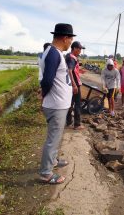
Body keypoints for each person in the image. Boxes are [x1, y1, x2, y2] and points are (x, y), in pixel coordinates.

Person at [39, 23, 75, 184]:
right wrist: (44, 96)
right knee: (53, 139)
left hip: (58, 103)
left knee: (56, 136)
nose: (71, 43)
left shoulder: (55, 52)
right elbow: (47, 80)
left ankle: (52, 161)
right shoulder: (54, 53)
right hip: (55, 104)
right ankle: (46, 173)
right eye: (70, 39)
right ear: (65, 38)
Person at [65, 41, 85, 130]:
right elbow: (69, 70)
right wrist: (74, 85)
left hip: (70, 84)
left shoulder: (69, 56)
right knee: (77, 103)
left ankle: (68, 121)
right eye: (79, 49)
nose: (80, 51)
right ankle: (77, 124)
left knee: (70, 103)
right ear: (74, 48)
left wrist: (80, 71)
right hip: (74, 84)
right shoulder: (72, 57)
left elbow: (72, 70)